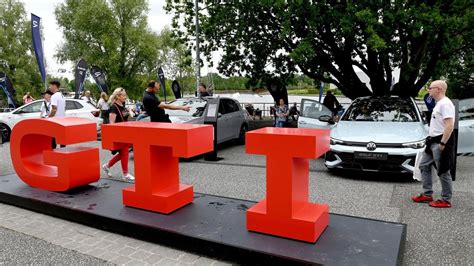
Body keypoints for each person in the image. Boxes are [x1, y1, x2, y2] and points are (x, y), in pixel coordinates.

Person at [412, 80, 455, 208]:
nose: (428, 90)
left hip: (441, 141)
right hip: (432, 141)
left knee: (443, 170)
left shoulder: (446, 104)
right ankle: (427, 194)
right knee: (424, 165)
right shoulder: (439, 104)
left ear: (439, 89)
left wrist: (442, 143)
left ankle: (446, 200)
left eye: (430, 88)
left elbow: (450, 125)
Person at [102, 88, 134, 181]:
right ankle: (125, 174)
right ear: (118, 96)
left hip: (125, 133)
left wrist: (131, 112)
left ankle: (107, 166)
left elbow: (125, 118)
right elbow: (112, 123)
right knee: (124, 152)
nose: (125, 97)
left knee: (123, 153)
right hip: (119, 134)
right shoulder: (114, 107)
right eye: (123, 95)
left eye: (125, 95)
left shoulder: (122, 106)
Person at [48, 81, 66, 149]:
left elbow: (54, 109)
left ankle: (53, 155)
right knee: (62, 140)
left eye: (50, 86)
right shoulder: (62, 96)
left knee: (53, 140)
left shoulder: (54, 96)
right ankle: (64, 154)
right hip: (62, 121)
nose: (49, 87)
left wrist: (49, 117)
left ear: (54, 86)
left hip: (55, 121)